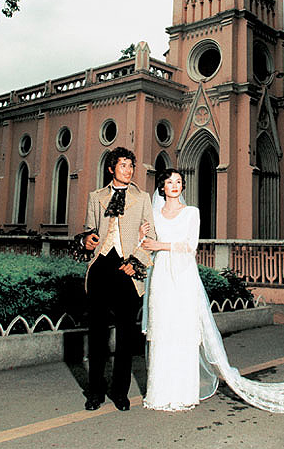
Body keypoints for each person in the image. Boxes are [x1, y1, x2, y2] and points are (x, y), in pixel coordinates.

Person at [140, 168, 284, 419]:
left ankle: (183, 393)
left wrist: (159, 245)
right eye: (170, 182)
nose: (175, 185)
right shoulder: (154, 215)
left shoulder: (191, 212)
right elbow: (144, 243)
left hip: (183, 277)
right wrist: (142, 237)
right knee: (163, 330)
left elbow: (189, 246)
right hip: (161, 276)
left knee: (183, 332)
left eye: (179, 181)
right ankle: (159, 392)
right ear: (162, 187)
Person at [82, 147, 156, 412]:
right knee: (97, 334)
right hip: (101, 267)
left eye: (131, 166)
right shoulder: (96, 197)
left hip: (127, 270)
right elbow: (88, 231)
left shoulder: (142, 198)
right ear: (111, 168)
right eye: (123, 165)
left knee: (126, 336)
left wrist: (135, 262)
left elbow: (151, 237)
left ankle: (120, 392)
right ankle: (95, 391)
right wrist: (87, 240)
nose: (129, 170)